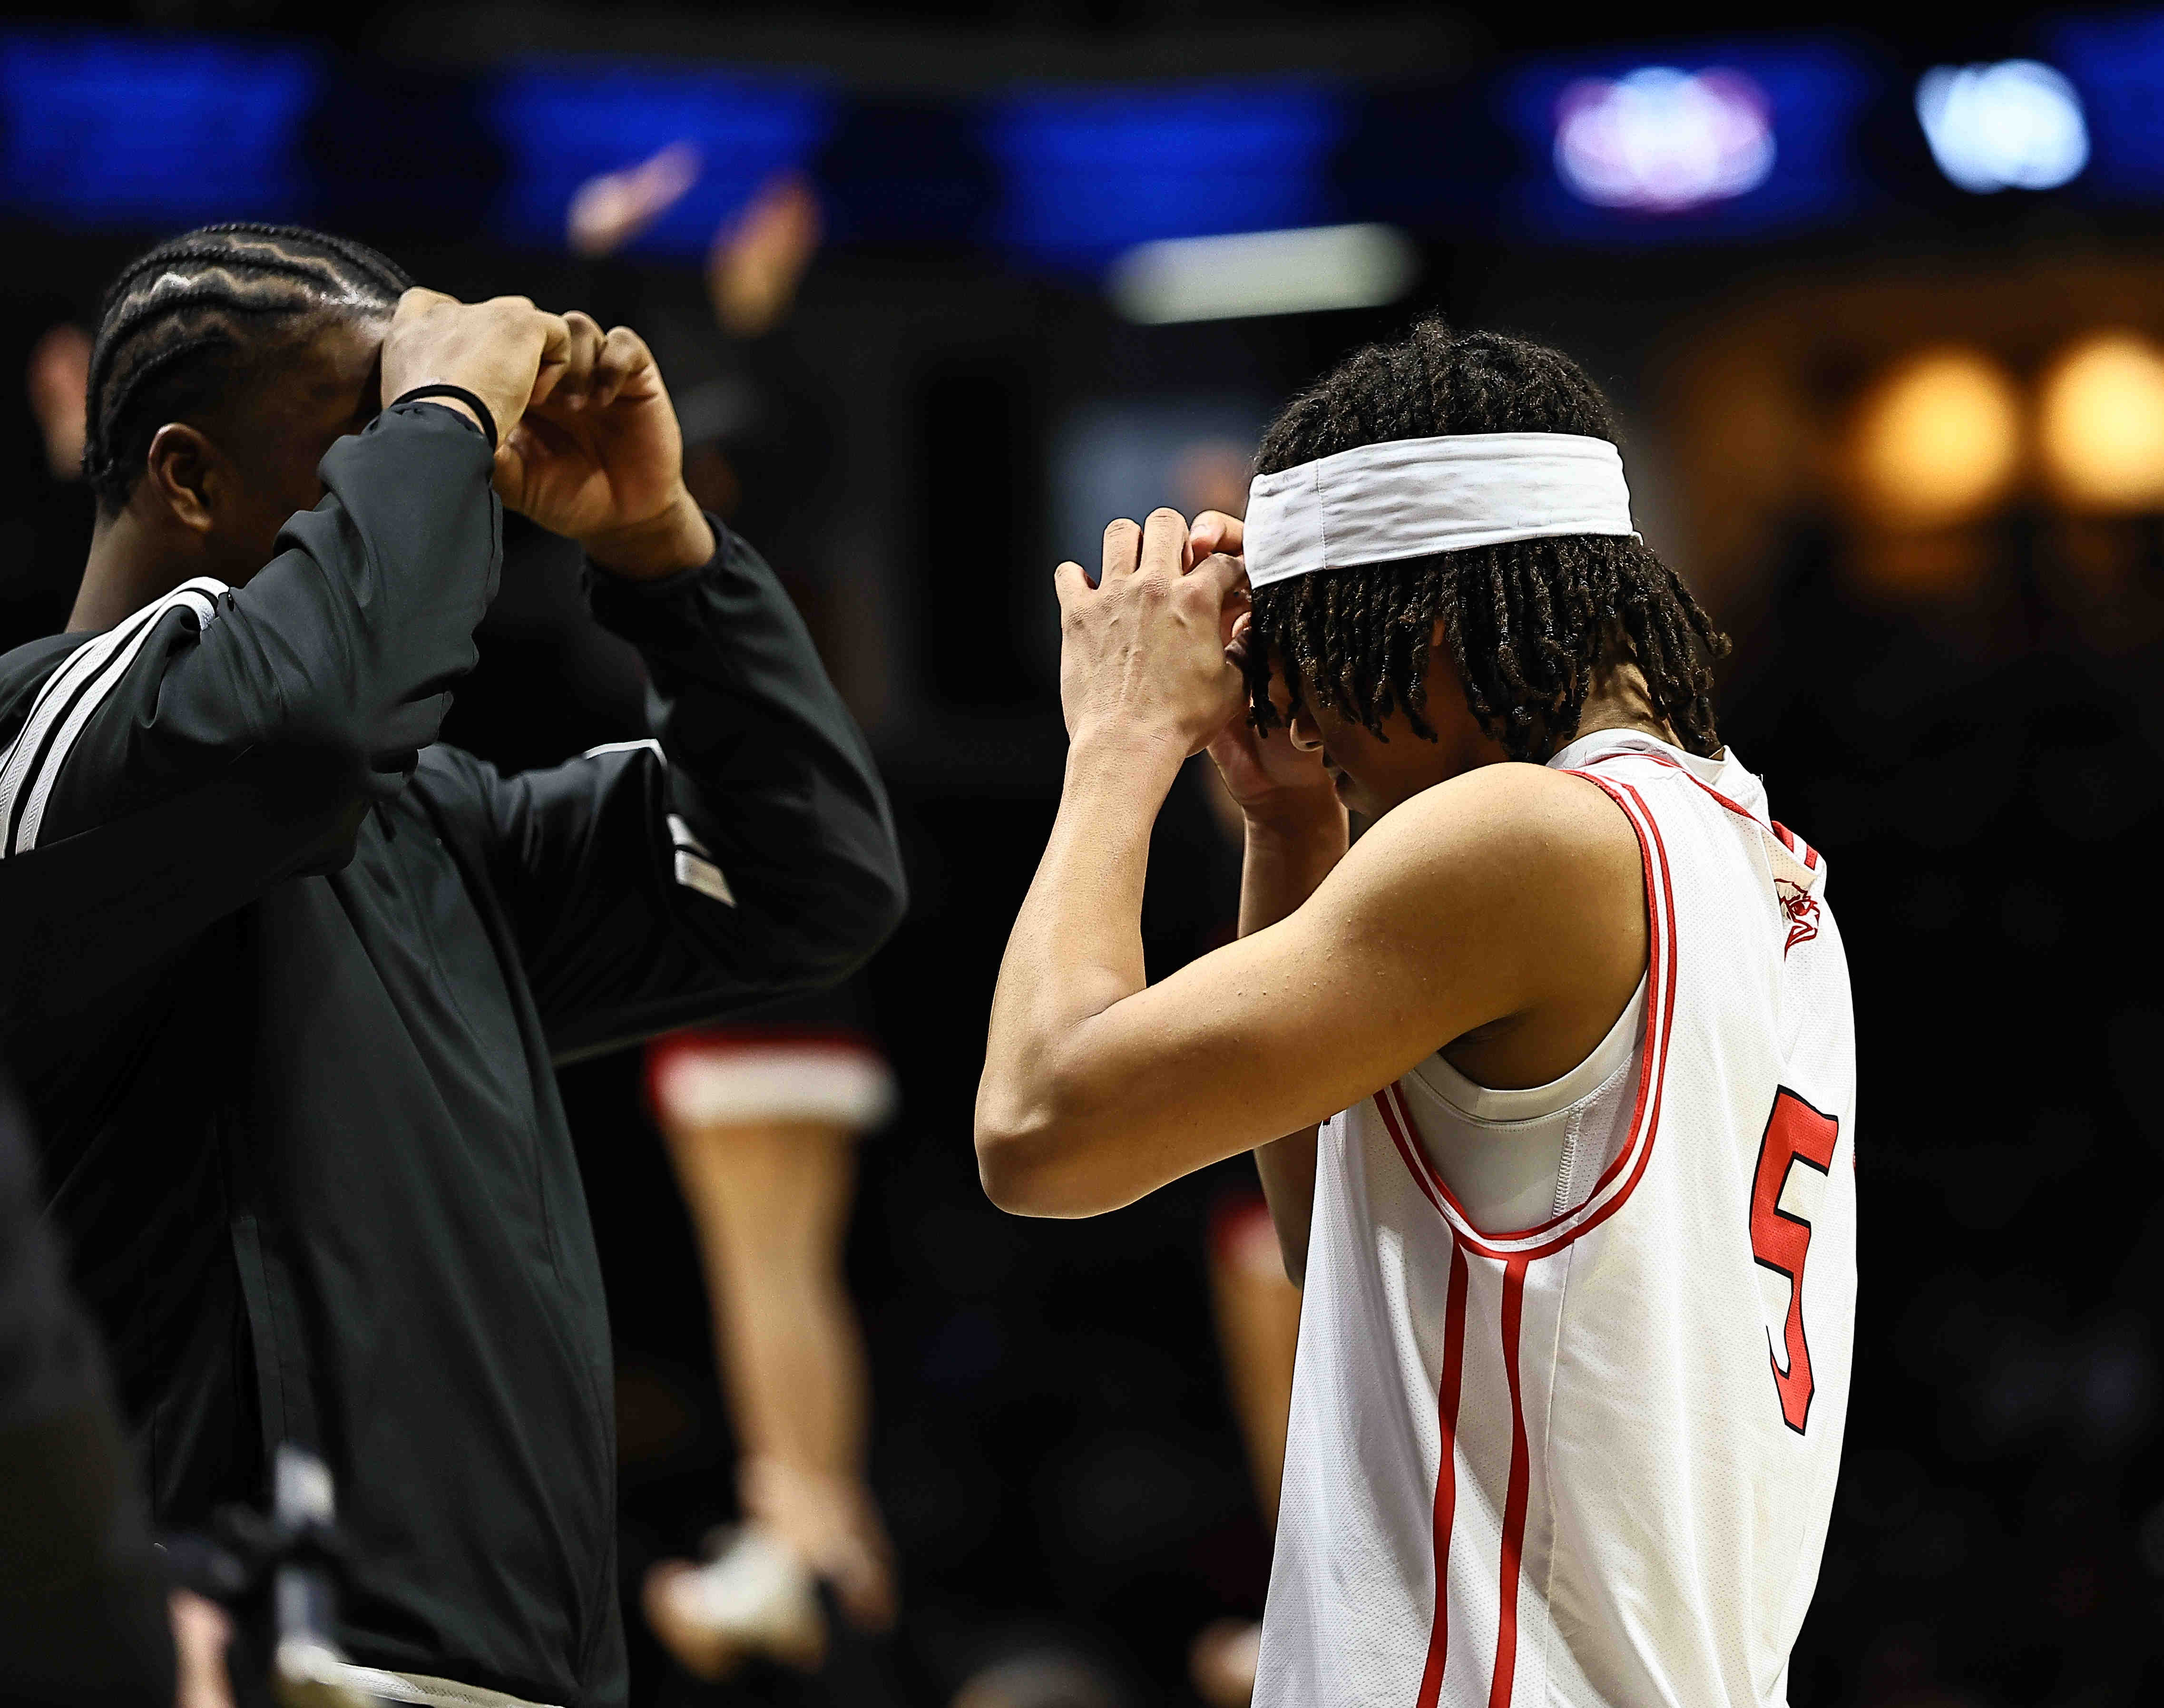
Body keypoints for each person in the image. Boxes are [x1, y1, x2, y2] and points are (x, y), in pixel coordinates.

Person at [0, 224, 905, 1708]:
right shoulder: (47, 735)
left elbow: (810, 883)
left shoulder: (426, 818)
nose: (443, 474)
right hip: (238, 1660)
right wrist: (441, 413)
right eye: (372, 435)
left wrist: (662, 548)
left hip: (528, 1668)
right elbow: (291, 737)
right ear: (188, 478)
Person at [976, 319, 1856, 1707]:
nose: (1300, 710)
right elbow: (1352, 1258)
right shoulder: (1749, 853)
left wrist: (1120, 743)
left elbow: (1038, 1130)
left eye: (1315, 650)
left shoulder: (1528, 838)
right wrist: (1285, 830)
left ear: (1435, 621)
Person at [638, 1013, 901, 1686]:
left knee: (760, 1274)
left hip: (738, 987)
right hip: (808, 971)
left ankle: (797, 1539)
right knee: (795, 1274)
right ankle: (820, 1525)